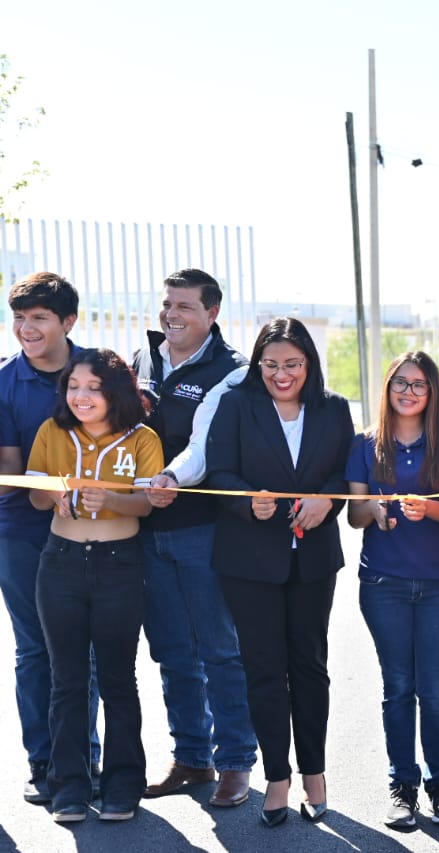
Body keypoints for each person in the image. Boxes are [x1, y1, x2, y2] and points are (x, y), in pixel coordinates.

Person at [205, 317, 354, 828]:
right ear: (258, 364)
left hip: (313, 560)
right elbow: (218, 472)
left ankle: (315, 773)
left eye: (292, 364)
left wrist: (327, 500)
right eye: (270, 364)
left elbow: (344, 472)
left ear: (308, 363)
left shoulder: (334, 408)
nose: (281, 374)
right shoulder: (235, 404)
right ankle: (276, 777)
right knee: (264, 669)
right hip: (249, 561)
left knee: (309, 666)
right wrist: (248, 501)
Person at [133, 268, 257, 808]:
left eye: (184, 306)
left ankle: (235, 762)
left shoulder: (232, 371)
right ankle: (191, 757)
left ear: (212, 313)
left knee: (220, 650)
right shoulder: (143, 359)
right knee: (171, 651)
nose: (172, 314)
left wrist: (169, 479)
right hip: (145, 530)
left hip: (204, 530)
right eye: (167, 304)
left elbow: (206, 446)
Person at [27, 348, 164, 822]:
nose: (80, 396)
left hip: (118, 565)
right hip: (60, 563)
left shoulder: (142, 437)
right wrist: (56, 494)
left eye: (93, 387)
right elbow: (35, 494)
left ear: (115, 391)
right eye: (73, 387)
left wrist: (110, 499)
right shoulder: (52, 431)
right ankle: (68, 786)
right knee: (66, 680)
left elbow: (145, 505)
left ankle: (123, 785)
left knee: (117, 679)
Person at [346, 352, 439, 828]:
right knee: (397, 687)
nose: (409, 391)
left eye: (418, 384)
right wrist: (375, 511)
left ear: (432, 391)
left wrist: (427, 508)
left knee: (434, 690)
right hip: (383, 582)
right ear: (388, 387)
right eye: (400, 382)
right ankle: (403, 786)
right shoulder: (365, 444)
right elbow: (354, 514)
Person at [0, 272, 101, 805]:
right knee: (35, 650)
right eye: (19, 318)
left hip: (93, 532)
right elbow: (10, 471)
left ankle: (84, 758)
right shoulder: (3, 381)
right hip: (21, 533)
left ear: (68, 321)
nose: (26, 328)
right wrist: (46, 484)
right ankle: (44, 761)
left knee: (85, 650)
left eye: (39, 317)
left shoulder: (100, 372)